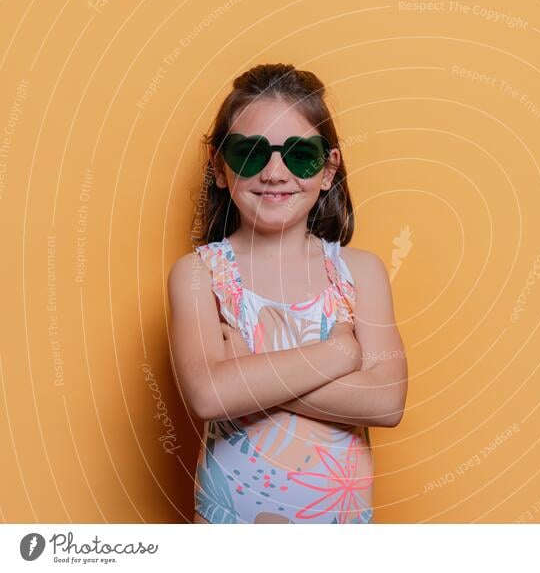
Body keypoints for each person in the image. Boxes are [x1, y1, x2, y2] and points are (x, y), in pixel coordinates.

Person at [167, 63, 408, 524]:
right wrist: (339, 352)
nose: (275, 173)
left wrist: (244, 373)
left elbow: (387, 402)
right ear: (220, 167)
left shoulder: (360, 273)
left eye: (299, 155)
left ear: (327, 169)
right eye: (250, 153)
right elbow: (208, 396)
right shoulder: (199, 275)